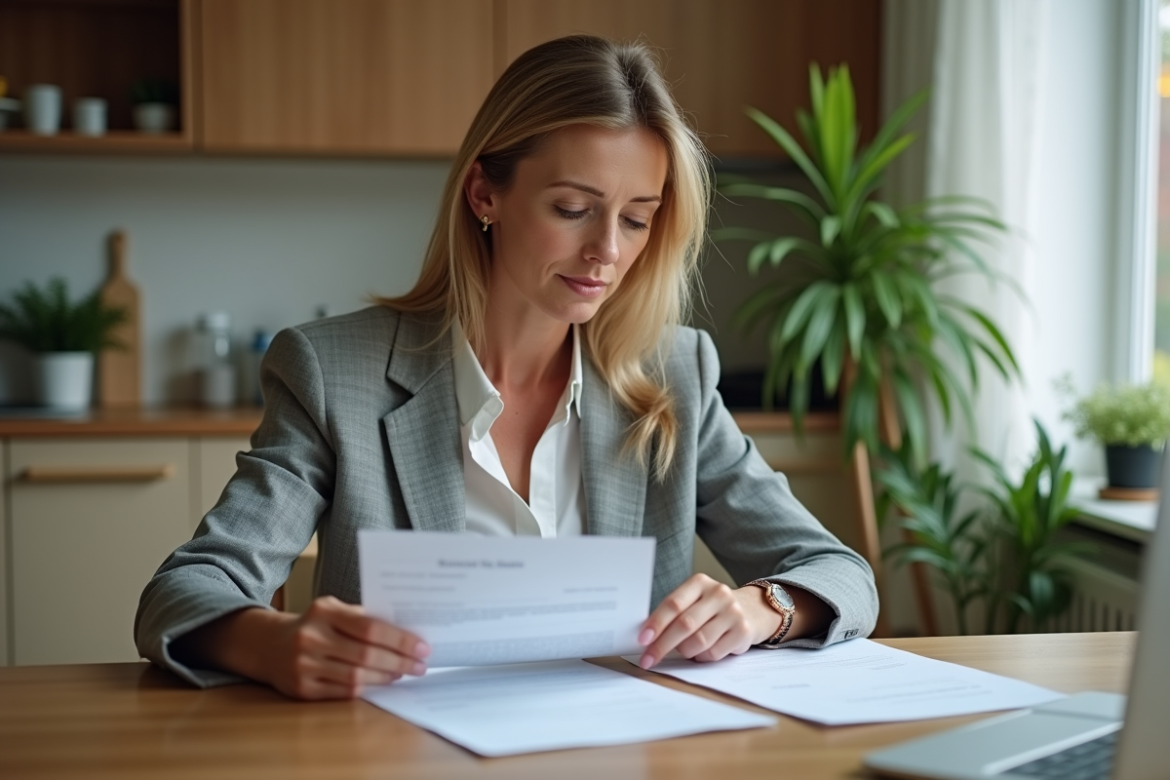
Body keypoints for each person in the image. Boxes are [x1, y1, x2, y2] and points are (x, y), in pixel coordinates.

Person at [136, 34, 878, 700]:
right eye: (573, 208)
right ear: (485, 193)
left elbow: (838, 571)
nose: (607, 251)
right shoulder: (333, 373)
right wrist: (273, 643)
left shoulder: (674, 374)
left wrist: (761, 609)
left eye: (635, 218)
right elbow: (185, 590)